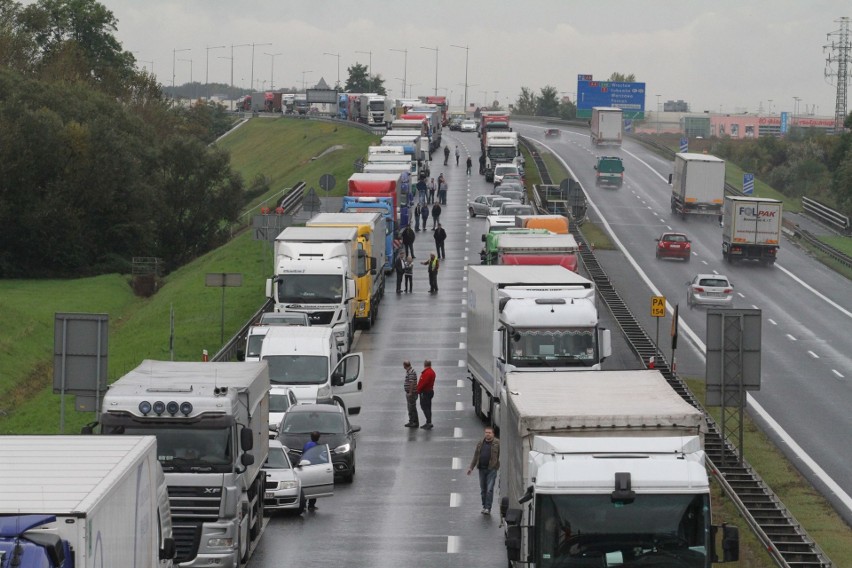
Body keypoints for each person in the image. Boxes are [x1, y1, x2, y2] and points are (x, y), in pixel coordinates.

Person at [467, 427, 500, 514]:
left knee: (489, 489)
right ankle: (484, 506)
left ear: (493, 434)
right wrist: (471, 468)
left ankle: (488, 508)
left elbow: (501, 455)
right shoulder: (480, 443)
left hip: (491, 470)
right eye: (486, 432)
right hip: (481, 469)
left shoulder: (497, 443)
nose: (487, 434)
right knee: (483, 489)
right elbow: (476, 455)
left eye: (489, 433)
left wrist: (496, 466)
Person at [302, 431, 321, 510]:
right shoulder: (317, 446)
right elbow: (319, 457)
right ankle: (311, 505)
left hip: (305, 467)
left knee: (305, 486)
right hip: (313, 468)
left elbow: (303, 454)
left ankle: (303, 504)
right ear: (318, 438)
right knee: (313, 486)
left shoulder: (306, 445)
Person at [416, 360, 436, 429]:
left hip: (425, 392)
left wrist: (418, 391)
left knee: (424, 407)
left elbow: (423, 383)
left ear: (424, 364)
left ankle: (429, 422)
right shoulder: (432, 372)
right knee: (428, 407)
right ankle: (428, 422)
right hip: (429, 391)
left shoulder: (427, 373)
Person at [403, 360, 419, 428]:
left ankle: (414, 422)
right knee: (410, 408)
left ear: (404, 365)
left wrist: (410, 392)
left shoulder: (411, 372)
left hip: (412, 394)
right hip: (410, 393)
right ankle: (411, 421)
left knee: (412, 408)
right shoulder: (410, 371)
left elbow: (412, 383)